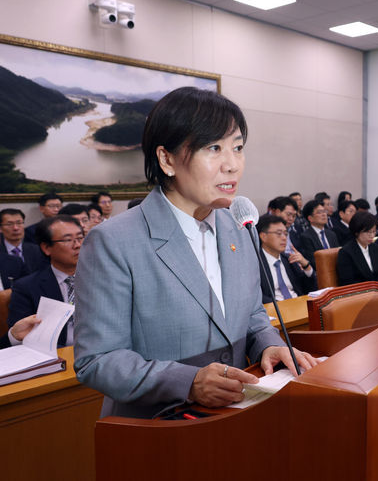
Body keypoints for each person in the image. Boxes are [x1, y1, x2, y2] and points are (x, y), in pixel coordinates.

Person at [73, 87, 316, 419]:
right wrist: (187, 382)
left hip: (235, 416)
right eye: (213, 148)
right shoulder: (113, 241)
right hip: (159, 428)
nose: (232, 165)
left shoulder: (238, 228)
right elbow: (98, 359)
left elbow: (251, 314)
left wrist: (268, 344)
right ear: (167, 159)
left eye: (238, 148)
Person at [7, 215, 84, 347]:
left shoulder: (102, 278)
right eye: (68, 240)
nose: (77, 245)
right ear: (46, 248)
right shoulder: (27, 287)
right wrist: (14, 336)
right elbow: (18, 335)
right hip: (57, 357)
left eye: (80, 238)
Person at [257, 215, 315, 303]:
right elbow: (257, 296)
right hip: (275, 309)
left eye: (285, 233)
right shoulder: (255, 262)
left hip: (298, 305)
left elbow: (309, 289)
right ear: (263, 236)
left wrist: (306, 266)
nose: (284, 238)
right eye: (279, 233)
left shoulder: (289, 259)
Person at [336, 211, 378, 285]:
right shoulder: (345, 252)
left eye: (374, 231)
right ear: (357, 232)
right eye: (368, 232)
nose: (372, 235)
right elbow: (348, 282)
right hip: (360, 293)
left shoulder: (376, 248)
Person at [0, 208, 46, 273]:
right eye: (9, 224)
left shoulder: (36, 250)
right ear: (0, 228)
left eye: (19, 223)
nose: (15, 228)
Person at [299, 199, 339, 268]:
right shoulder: (305, 237)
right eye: (319, 212)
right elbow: (313, 261)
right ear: (310, 218)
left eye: (324, 211)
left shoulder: (332, 234)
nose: (324, 214)